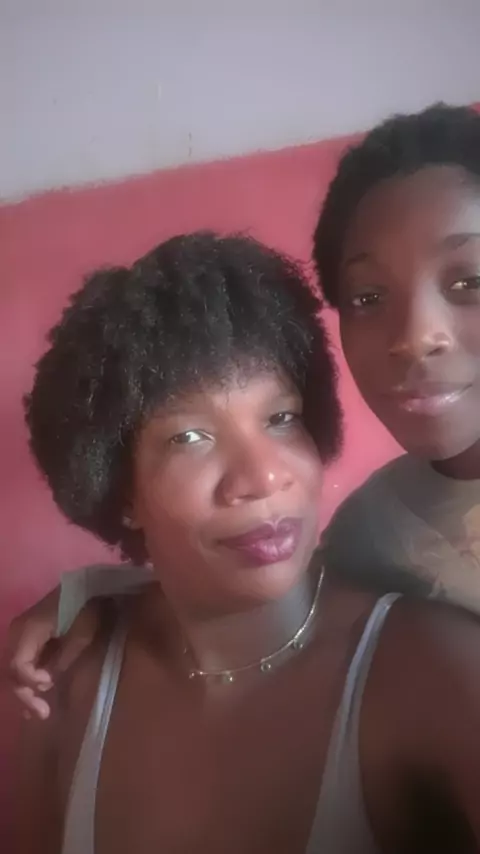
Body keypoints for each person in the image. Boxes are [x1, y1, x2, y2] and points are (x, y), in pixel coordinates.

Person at [11, 231, 480, 853]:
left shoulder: (435, 672)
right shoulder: (63, 685)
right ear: (120, 493)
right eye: (190, 438)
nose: (262, 478)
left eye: (281, 418)